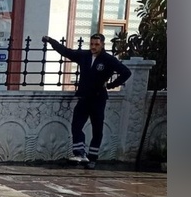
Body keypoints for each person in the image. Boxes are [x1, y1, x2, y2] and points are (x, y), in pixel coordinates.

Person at [43, 33, 131, 169]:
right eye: (92, 44)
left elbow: (126, 72)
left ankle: (92, 158)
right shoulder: (84, 56)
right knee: (76, 125)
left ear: (102, 44)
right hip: (84, 98)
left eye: (97, 44)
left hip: (98, 99)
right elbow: (66, 52)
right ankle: (80, 153)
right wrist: (51, 41)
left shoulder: (108, 59)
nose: (93, 47)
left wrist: (110, 85)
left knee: (97, 129)